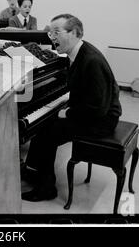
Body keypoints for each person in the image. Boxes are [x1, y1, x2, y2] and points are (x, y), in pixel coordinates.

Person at [21, 14, 122, 202]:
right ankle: (34, 171)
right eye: (50, 33)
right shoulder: (78, 52)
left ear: (74, 33)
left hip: (101, 120)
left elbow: (97, 109)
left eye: (57, 32)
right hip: (91, 111)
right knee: (44, 126)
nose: (51, 37)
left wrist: (67, 112)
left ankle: (46, 188)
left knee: (46, 133)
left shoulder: (91, 61)